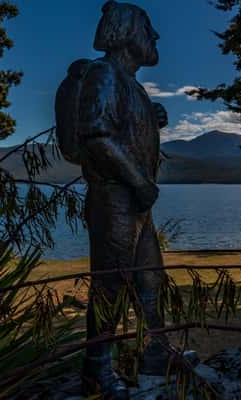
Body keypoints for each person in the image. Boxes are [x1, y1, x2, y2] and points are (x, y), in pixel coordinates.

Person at [76, 1, 171, 398]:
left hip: (136, 204)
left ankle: (156, 353)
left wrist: (151, 115)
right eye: (148, 27)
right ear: (129, 30)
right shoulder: (103, 74)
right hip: (115, 198)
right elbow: (96, 137)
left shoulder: (131, 86)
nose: (155, 36)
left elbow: (123, 130)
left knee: (150, 280)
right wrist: (138, 181)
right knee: (110, 284)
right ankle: (97, 368)